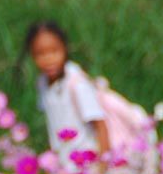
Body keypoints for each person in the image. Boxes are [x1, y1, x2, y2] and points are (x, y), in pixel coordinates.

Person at [25, 20, 110, 162]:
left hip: (86, 162)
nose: (48, 59)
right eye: (40, 54)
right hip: (63, 164)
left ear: (65, 48)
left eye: (54, 51)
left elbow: (100, 124)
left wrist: (102, 165)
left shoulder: (77, 83)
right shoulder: (42, 82)